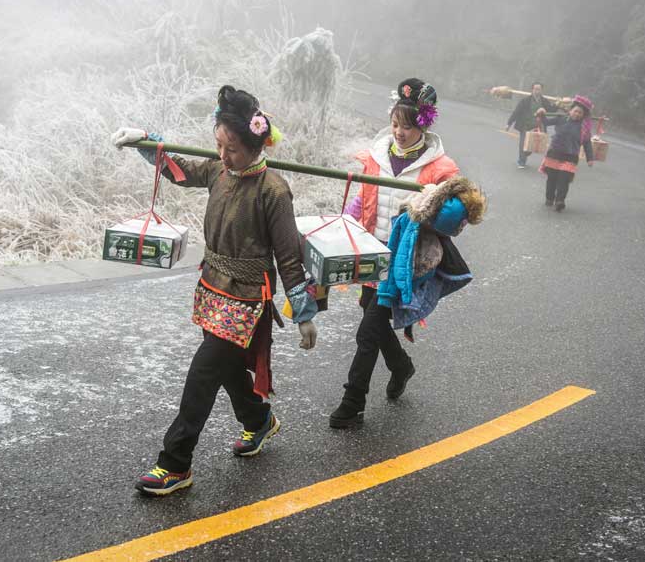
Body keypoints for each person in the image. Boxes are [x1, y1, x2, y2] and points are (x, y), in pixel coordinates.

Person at [111, 85, 319, 496]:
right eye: (218, 146)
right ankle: (258, 420)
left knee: (204, 371)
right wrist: (146, 143)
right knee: (223, 367)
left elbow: (289, 256)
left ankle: (175, 463)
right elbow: (180, 171)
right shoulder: (218, 171)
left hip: (246, 296)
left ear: (257, 146)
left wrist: (304, 314)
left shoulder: (274, 191)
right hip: (212, 285)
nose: (223, 156)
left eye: (233, 149)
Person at [330, 78, 460, 429]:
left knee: (368, 331)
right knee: (369, 313)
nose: (399, 132)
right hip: (372, 254)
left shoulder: (439, 168)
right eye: (395, 123)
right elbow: (364, 197)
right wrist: (344, 223)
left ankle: (353, 401)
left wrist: (437, 204)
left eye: (408, 125)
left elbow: (453, 218)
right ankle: (401, 365)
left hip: (403, 261)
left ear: (424, 124)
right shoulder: (377, 155)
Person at [535, 95, 595, 211]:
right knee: (552, 179)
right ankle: (549, 198)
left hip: (570, 157)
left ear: (583, 115)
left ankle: (560, 201)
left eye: (580, 113)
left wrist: (590, 158)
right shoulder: (560, 118)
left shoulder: (584, 128)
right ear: (570, 111)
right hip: (554, 154)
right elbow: (546, 122)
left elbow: (587, 143)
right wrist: (541, 113)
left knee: (564, 180)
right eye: (575, 111)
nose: (577, 114)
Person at [506, 82, 556, 168]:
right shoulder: (525, 101)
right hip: (526, 125)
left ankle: (525, 154)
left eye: (539, 89)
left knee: (531, 146)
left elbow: (551, 109)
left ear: (541, 90)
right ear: (532, 90)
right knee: (523, 144)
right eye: (535, 89)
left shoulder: (544, 101)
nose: (537, 91)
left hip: (538, 126)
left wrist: (558, 104)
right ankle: (522, 161)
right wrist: (509, 123)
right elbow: (516, 112)